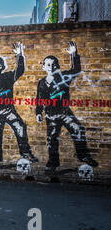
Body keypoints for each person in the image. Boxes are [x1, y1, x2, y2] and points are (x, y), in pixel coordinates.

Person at [36, 41, 98, 173]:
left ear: (56, 66)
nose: (50, 67)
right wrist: (38, 112)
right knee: (52, 139)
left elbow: (76, 70)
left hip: (65, 112)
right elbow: (39, 99)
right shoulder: (41, 83)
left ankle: (84, 156)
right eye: (47, 65)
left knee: (78, 129)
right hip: (50, 115)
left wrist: (73, 54)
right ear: (44, 67)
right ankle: (53, 162)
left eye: (52, 65)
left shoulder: (63, 76)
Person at [0, 42, 38, 171]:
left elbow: (20, 70)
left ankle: (26, 153)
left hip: (8, 111)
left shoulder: (8, 77)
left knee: (20, 127)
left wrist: (19, 54)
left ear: (3, 67)